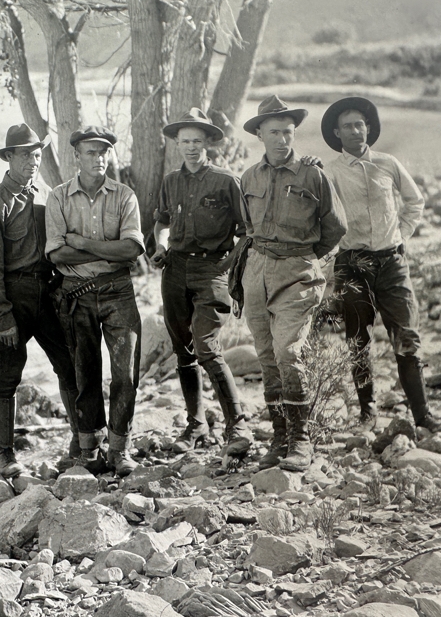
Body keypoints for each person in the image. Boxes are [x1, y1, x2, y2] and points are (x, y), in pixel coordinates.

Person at [239, 95, 347, 472]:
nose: (283, 139)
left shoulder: (313, 174)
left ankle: (301, 441)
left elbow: (335, 226)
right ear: (260, 135)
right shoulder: (249, 177)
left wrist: (304, 255)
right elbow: (247, 227)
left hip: (298, 272)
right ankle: (279, 437)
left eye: (288, 132)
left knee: (289, 352)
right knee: (267, 357)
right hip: (257, 270)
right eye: (274, 132)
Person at [320, 97, 439, 432]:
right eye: (348, 126)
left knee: (407, 335)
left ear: (368, 128)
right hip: (352, 263)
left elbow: (415, 200)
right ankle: (367, 411)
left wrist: (401, 234)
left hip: (391, 261)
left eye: (360, 124)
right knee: (357, 338)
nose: (356, 131)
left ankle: (422, 415)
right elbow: (321, 213)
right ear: (336, 132)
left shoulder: (387, 163)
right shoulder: (329, 171)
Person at [0, 124, 82, 477]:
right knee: (8, 375)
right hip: (12, 297)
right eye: (25, 155)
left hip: (45, 293)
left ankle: (81, 440)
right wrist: (1, 316)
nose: (33, 161)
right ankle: (5, 453)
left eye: (37, 155)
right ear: (8, 158)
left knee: (66, 365)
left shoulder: (46, 197)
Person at [46, 125, 145, 477]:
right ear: (76, 156)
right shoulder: (58, 197)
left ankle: (119, 449)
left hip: (118, 290)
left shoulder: (124, 196)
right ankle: (89, 450)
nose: (98, 158)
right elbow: (56, 254)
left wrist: (83, 244)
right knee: (84, 372)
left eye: (103, 152)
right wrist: (106, 250)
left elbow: (131, 249)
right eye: (91, 152)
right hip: (76, 294)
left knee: (125, 373)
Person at [152, 109, 251, 458]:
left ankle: (237, 424)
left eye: (197, 141)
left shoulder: (226, 181)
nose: (191, 148)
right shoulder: (170, 181)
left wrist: (228, 267)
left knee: (206, 344)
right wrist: (161, 246)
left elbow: (245, 233)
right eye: (185, 142)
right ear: (177, 144)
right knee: (183, 350)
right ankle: (196, 424)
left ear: (208, 142)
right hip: (175, 269)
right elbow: (162, 222)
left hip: (213, 270)